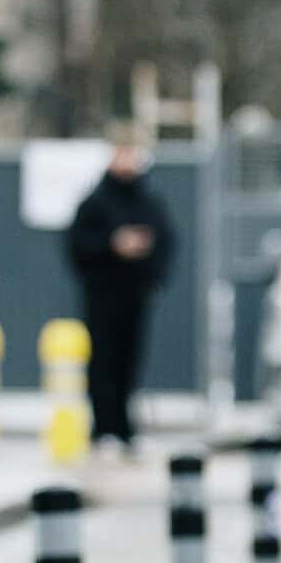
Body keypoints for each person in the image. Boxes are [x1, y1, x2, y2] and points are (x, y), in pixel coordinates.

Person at [66, 130, 176, 452]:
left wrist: (151, 272)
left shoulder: (148, 200)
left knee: (129, 360)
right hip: (102, 295)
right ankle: (103, 427)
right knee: (102, 360)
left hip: (135, 294)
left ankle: (125, 428)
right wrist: (113, 245)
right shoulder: (96, 201)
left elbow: (165, 242)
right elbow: (78, 245)